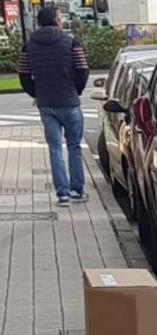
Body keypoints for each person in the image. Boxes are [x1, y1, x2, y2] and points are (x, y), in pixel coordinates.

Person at [18, 6, 89, 207]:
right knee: (74, 146)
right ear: (56, 20)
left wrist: (36, 92)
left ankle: (62, 194)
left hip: (46, 103)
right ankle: (77, 190)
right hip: (70, 101)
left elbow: (23, 74)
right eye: (60, 17)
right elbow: (82, 68)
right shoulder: (70, 42)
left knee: (55, 147)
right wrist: (77, 90)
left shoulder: (29, 45)